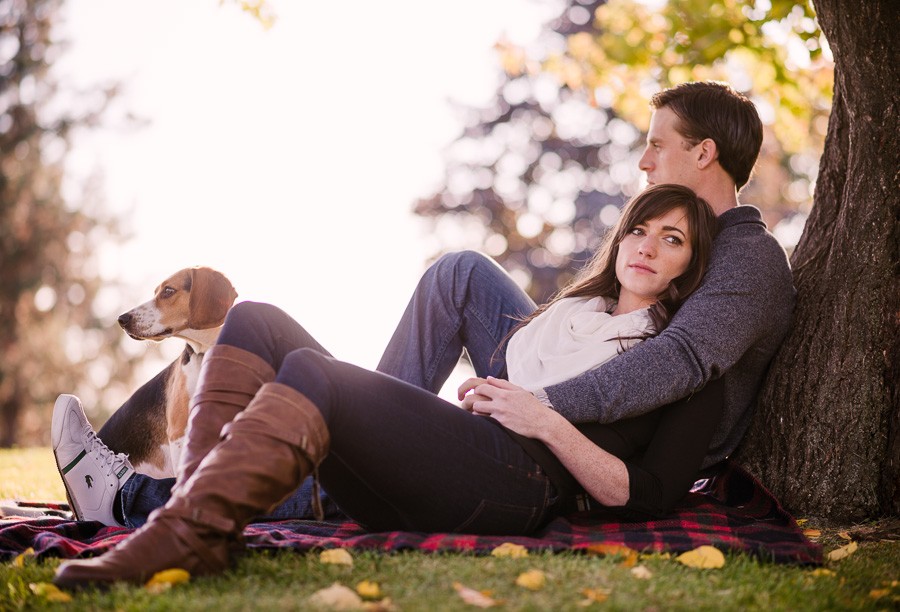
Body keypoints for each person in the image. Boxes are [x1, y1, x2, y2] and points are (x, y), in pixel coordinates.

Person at [52, 80, 794, 585]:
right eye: (647, 233)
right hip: (535, 399)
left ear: (704, 154)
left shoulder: (746, 256)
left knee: (316, 373)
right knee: (429, 279)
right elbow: (605, 324)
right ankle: (249, 482)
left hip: (566, 436)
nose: (642, 158)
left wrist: (544, 408)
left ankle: (156, 509)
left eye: (657, 144)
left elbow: (678, 366)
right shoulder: (640, 268)